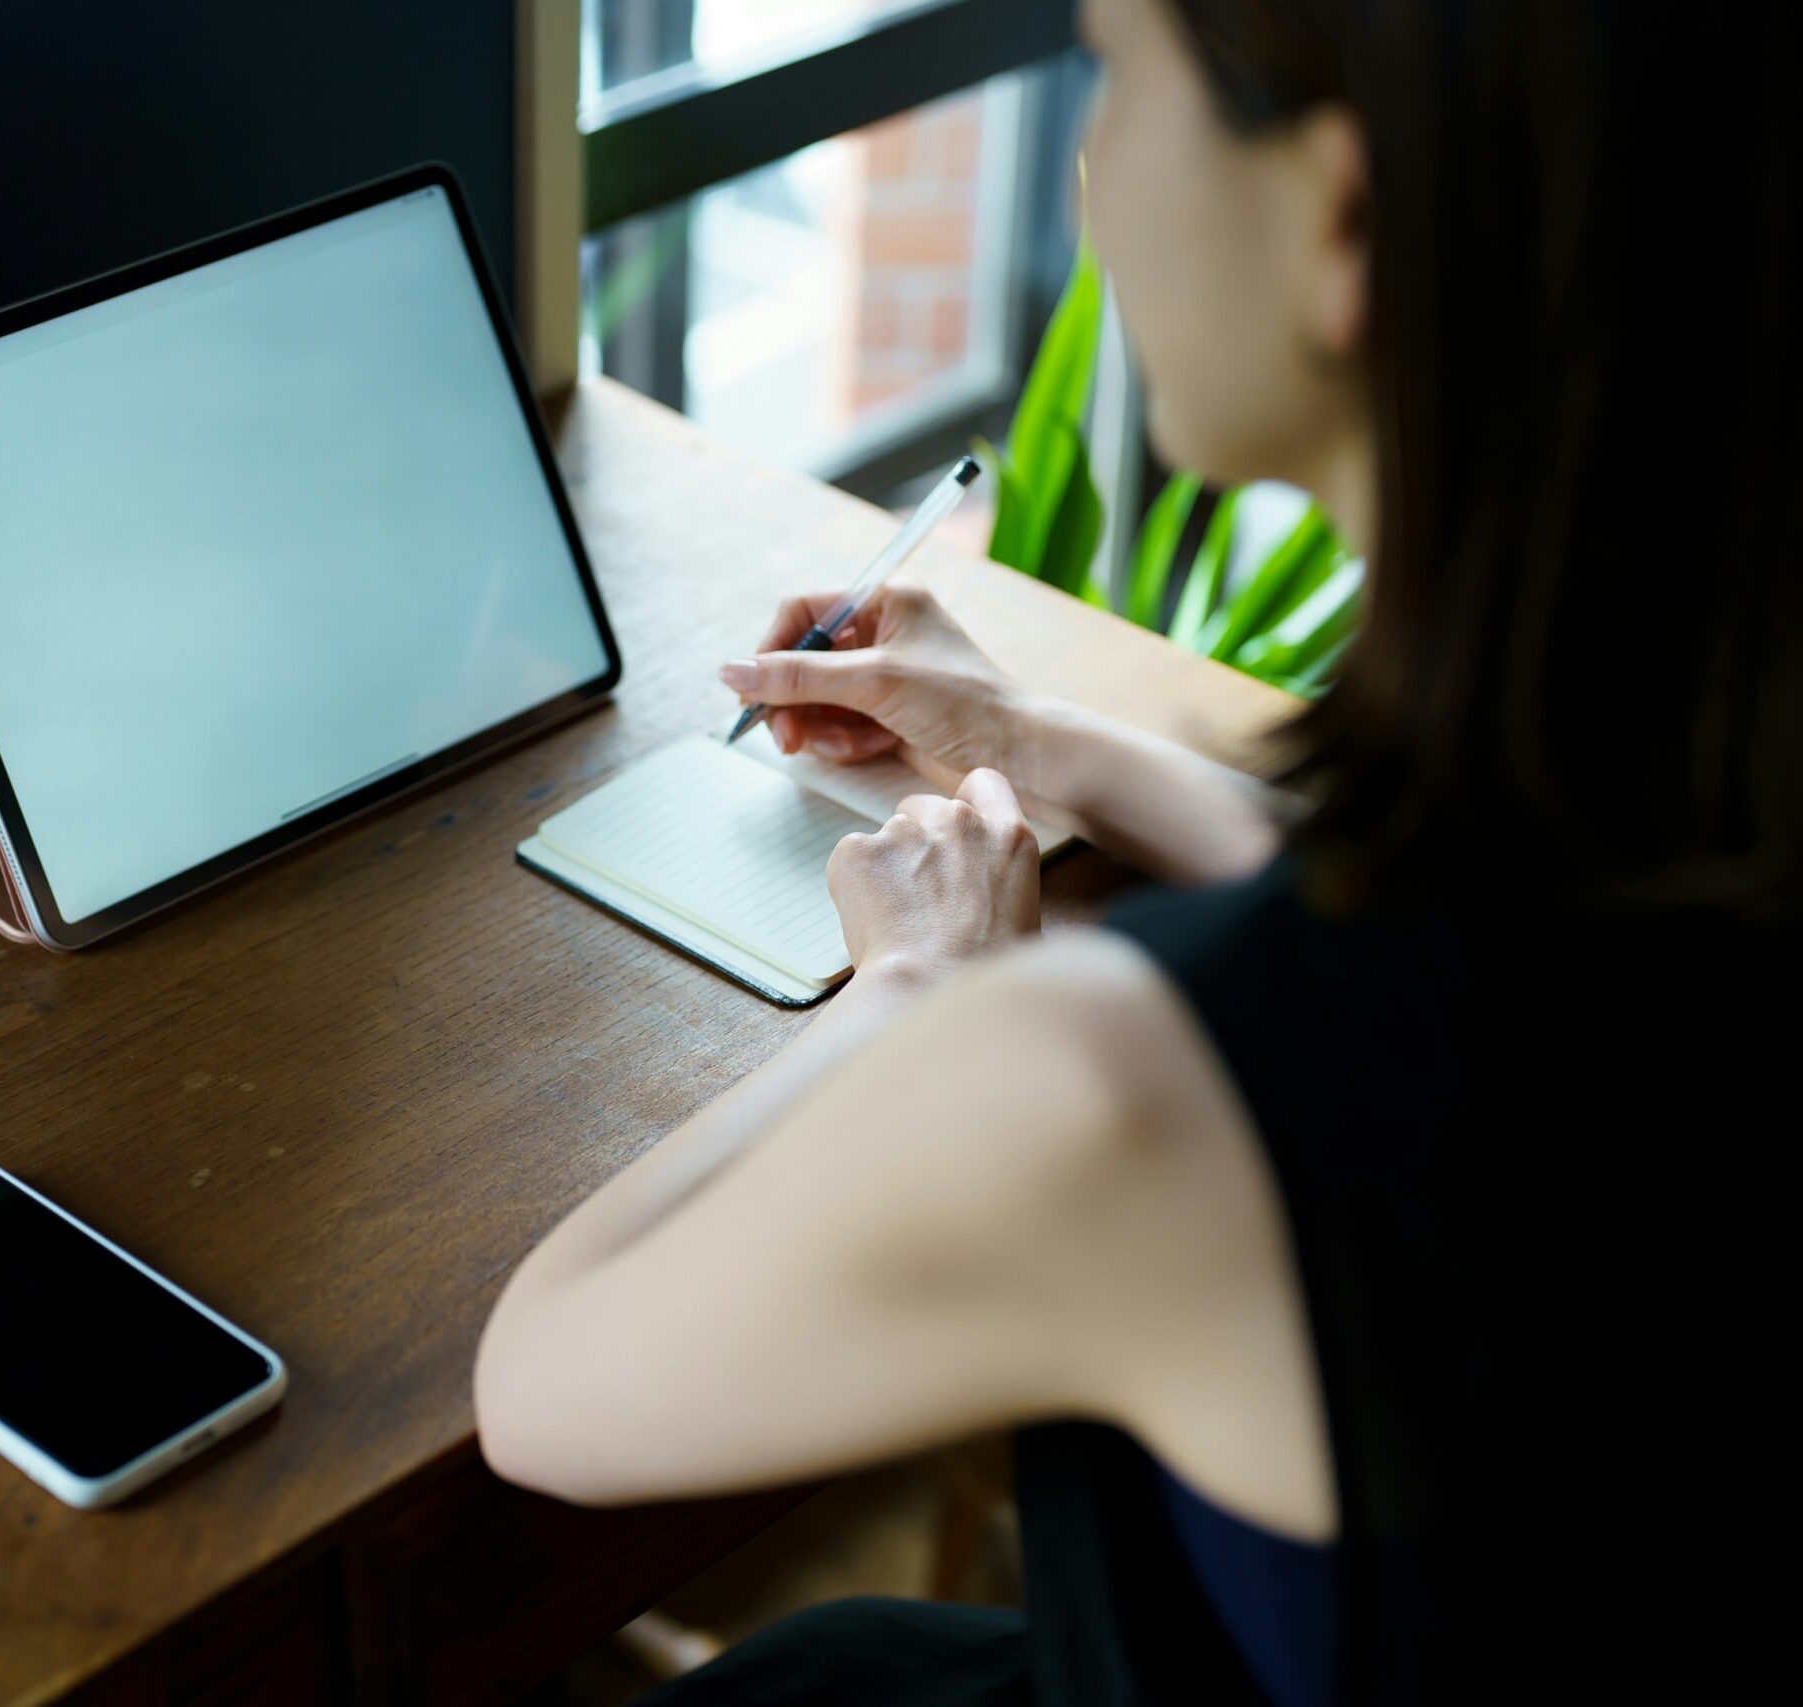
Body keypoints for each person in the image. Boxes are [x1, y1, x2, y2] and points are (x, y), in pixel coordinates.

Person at [473, 0, 1798, 1701]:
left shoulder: (1118, 1089)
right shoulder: (1671, 825)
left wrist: (924, 996)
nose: (1093, 166)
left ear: (1346, 220)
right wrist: (1038, 739)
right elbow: (1402, 939)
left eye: (1121, 71)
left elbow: (542, 1385)